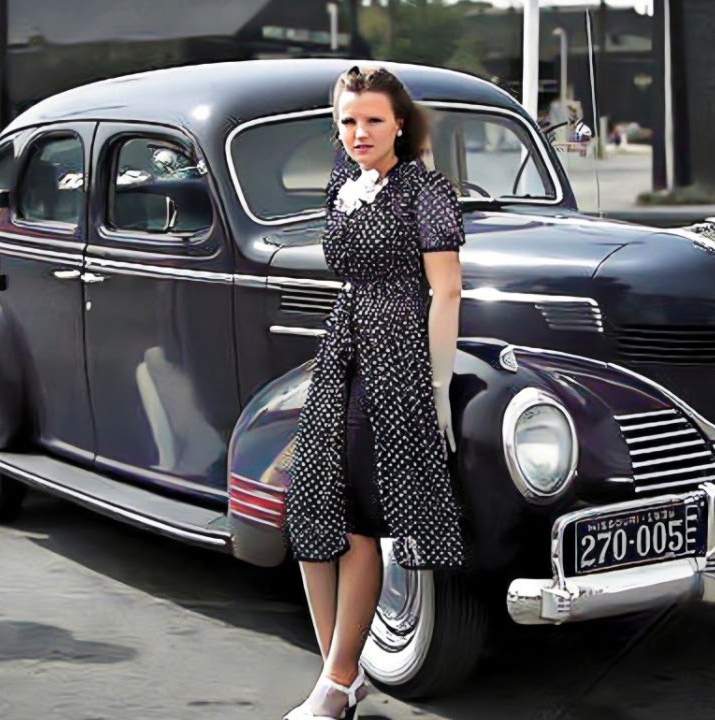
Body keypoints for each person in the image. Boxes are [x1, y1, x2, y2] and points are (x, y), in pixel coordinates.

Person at [280, 65, 470, 720]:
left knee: (360, 520)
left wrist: (438, 385)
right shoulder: (342, 181)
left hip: (399, 357)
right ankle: (338, 666)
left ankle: (335, 682)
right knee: (309, 504)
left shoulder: (426, 190)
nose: (359, 132)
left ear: (399, 123)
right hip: (344, 346)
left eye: (373, 119)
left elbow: (446, 290)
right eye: (348, 120)